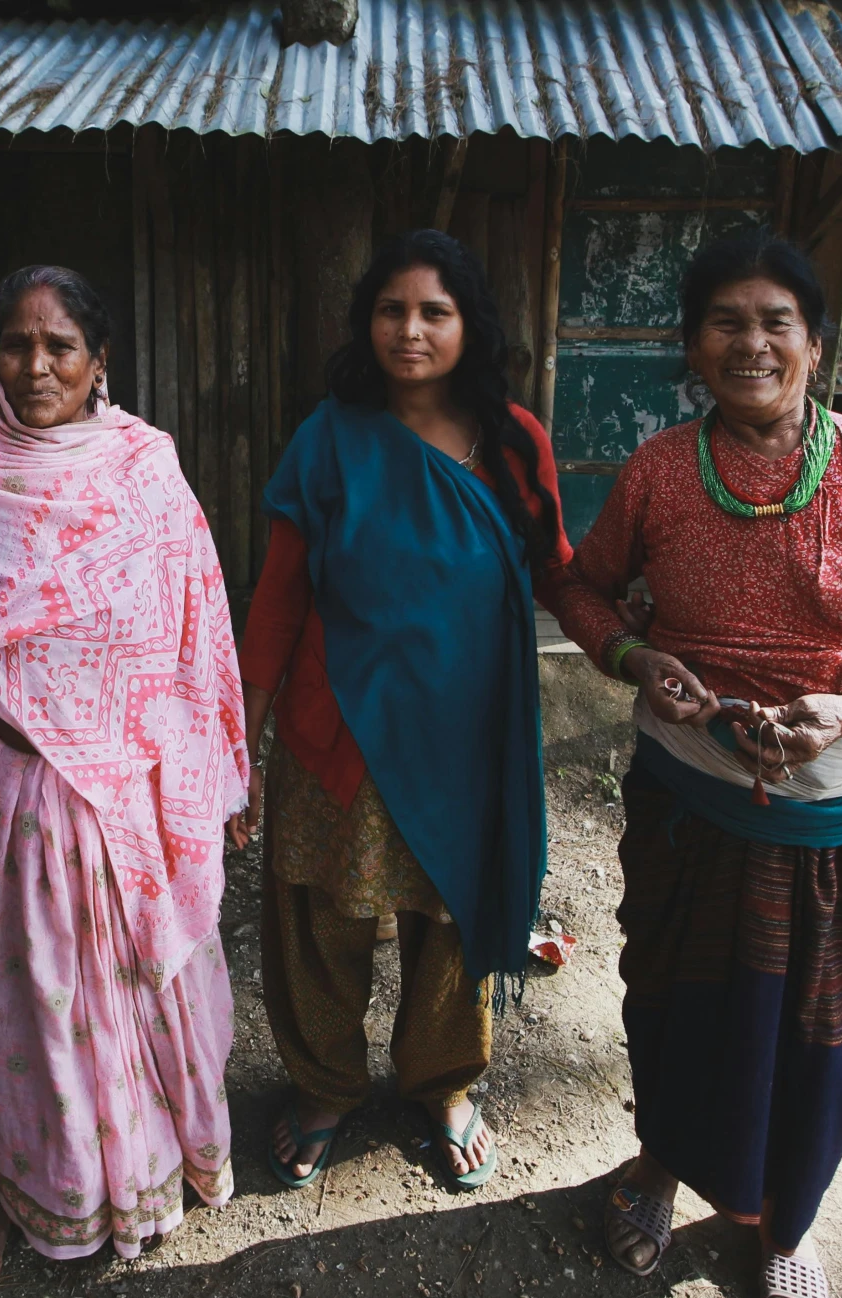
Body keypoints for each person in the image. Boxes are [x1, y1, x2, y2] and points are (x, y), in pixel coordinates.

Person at [551, 229, 842, 1298]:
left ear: (813, 342)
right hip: (691, 794)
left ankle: (783, 1222)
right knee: (674, 995)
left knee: (821, 1025)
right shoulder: (657, 470)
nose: (749, 343)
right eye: (724, 323)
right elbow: (584, 590)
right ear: (690, 348)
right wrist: (634, 660)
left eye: (775, 322)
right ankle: (659, 1166)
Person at [0, 265, 250, 1278]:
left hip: (138, 792)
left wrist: (215, 768)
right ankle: (30, 1182)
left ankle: (154, 1162)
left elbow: (197, 629)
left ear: (99, 363)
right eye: (16, 344)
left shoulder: (143, 468)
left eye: (60, 346)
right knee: (29, 998)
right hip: (8, 790)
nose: (35, 364)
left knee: (143, 984)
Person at [242, 229, 570, 1193]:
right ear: (366, 323)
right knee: (320, 917)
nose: (411, 330)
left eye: (435, 311)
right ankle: (325, 1086)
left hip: (469, 738)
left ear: (471, 323)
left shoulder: (514, 441)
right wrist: (246, 738)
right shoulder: (330, 437)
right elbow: (277, 598)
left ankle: (443, 1082)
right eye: (392, 310)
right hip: (336, 729)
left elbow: (559, 574)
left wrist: (637, 643)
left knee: (455, 918)